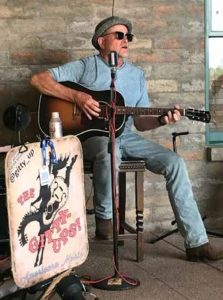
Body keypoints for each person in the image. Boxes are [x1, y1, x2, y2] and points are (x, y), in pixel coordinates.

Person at [30, 16, 223, 262]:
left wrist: (162, 120)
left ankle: (197, 243)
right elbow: (38, 80)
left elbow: (141, 122)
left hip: (128, 136)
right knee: (109, 148)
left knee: (174, 162)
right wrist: (77, 97)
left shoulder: (137, 75)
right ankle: (105, 218)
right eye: (119, 35)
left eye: (128, 37)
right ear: (101, 41)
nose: (126, 40)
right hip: (95, 139)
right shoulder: (85, 66)